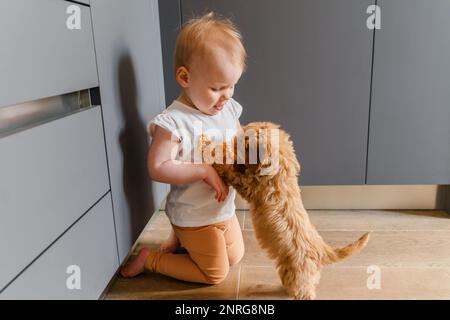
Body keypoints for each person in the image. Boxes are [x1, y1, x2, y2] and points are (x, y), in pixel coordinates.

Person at [120, 12, 247, 284]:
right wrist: (202, 170)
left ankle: (182, 242)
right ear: (184, 77)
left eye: (232, 86)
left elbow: (240, 141)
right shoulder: (174, 123)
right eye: (216, 87)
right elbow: (157, 167)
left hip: (223, 210)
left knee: (236, 256)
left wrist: (254, 159)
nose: (226, 96)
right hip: (194, 215)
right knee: (215, 274)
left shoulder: (226, 109)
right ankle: (151, 259)